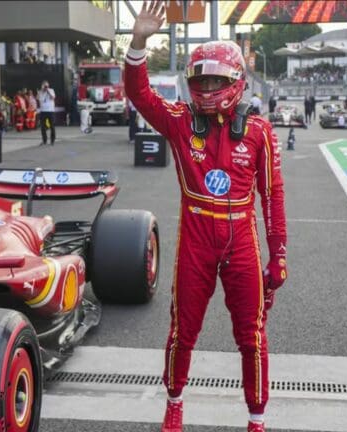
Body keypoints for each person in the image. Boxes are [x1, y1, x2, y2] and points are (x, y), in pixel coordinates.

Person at [125, 3, 287, 432]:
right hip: (196, 238)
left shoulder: (259, 131)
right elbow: (140, 94)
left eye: (217, 79)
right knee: (183, 331)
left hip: (242, 240)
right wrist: (138, 41)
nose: (209, 87)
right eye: (202, 79)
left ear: (236, 81)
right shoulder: (180, 121)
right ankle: (174, 405)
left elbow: (272, 197)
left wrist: (279, 255)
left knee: (252, 335)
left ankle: (256, 420)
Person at [38, 81, 57, 145]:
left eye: (47, 86)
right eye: (45, 86)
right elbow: (38, 99)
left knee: (52, 126)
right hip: (43, 111)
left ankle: (52, 140)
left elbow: (53, 97)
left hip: (50, 111)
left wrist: (48, 91)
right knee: (42, 127)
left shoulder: (51, 90)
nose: (46, 87)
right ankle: (44, 140)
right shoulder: (40, 92)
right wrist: (42, 91)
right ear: (42, 86)